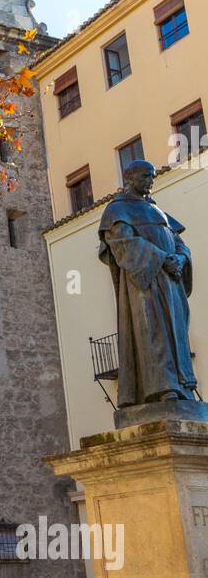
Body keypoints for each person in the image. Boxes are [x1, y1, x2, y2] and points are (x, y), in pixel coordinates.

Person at [98, 160, 198, 406]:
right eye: (145, 176)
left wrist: (180, 257)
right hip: (144, 282)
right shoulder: (116, 210)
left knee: (175, 334)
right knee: (153, 333)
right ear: (129, 178)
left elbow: (178, 241)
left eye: (152, 176)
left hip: (170, 280)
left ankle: (182, 387)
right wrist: (162, 259)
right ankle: (162, 388)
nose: (151, 180)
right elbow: (123, 244)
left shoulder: (158, 211)